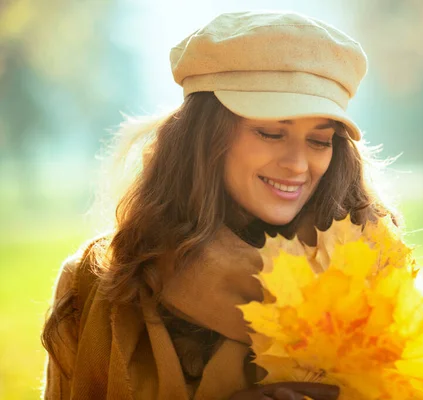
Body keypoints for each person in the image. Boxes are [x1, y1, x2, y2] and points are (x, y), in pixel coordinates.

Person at [41, 10, 397, 400]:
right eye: (271, 132)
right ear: (204, 135)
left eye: (319, 141)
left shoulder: (372, 272)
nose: (298, 164)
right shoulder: (99, 279)